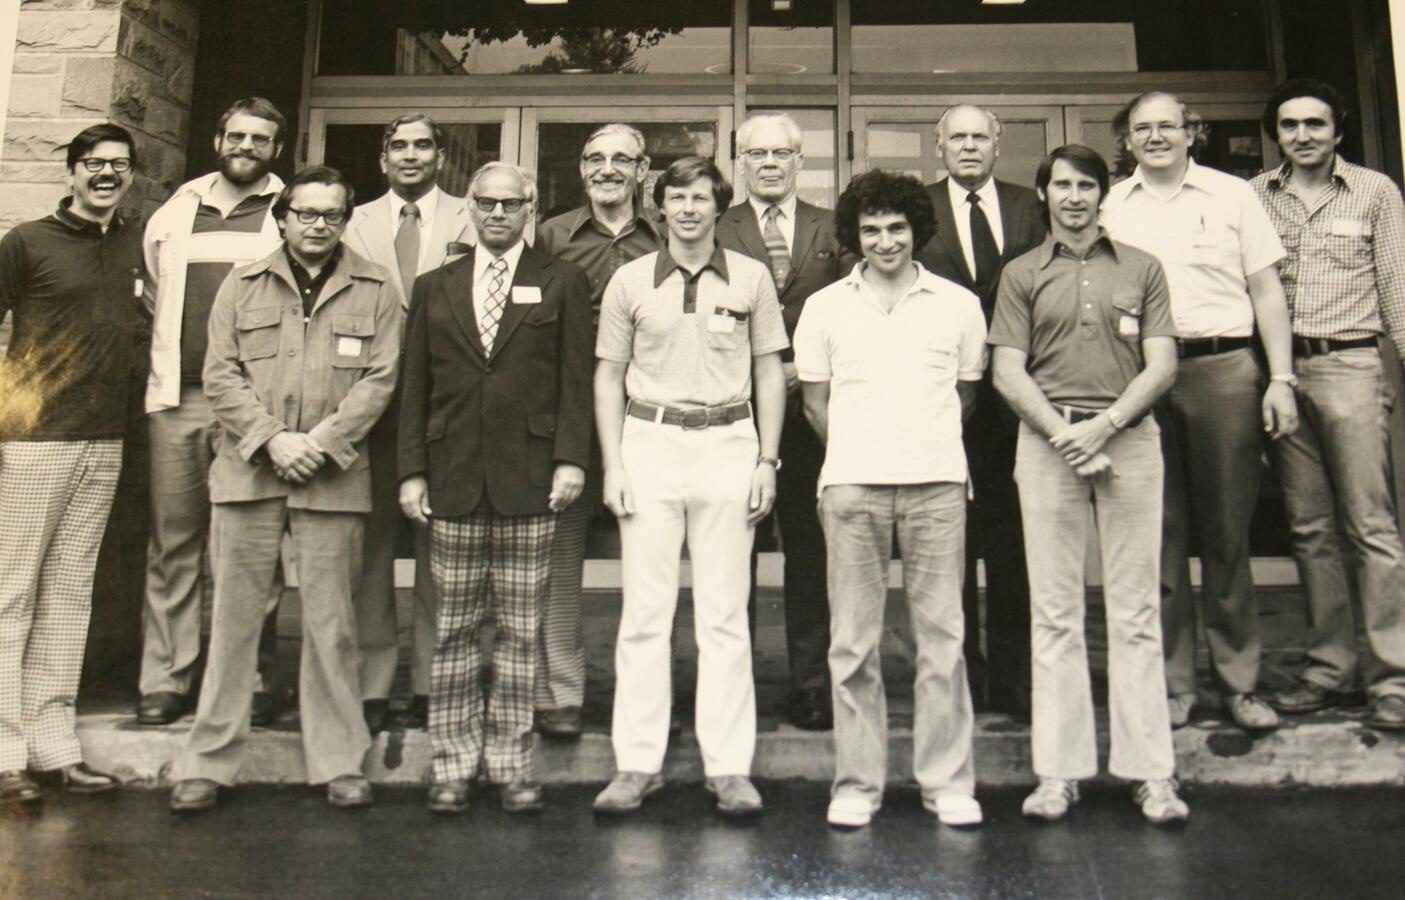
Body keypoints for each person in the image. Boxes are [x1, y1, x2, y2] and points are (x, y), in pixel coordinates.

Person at [167, 166, 401, 812]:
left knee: (332, 625)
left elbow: (380, 380)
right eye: (306, 213)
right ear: (283, 217)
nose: (318, 225)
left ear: (346, 220)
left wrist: (319, 443)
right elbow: (219, 376)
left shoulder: (377, 289)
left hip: (333, 479)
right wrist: (272, 440)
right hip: (247, 474)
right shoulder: (240, 286)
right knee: (235, 622)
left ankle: (338, 760)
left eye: (331, 214)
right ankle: (208, 762)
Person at [990, 144, 1188, 825]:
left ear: (1102, 193)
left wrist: (1102, 427)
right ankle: (1058, 773)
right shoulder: (1021, 273)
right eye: (1060, 185)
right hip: (1047, 447)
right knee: (1054, 611)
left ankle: (1151, 774)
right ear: (1042, 193)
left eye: (1085, 185)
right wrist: (1064, 435)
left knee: (1133, 611)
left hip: (1128, 442)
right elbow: (1007, 373)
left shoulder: (1142, 267)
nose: (1073, 197)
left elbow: (1160, 365)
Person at [592, 157, 787, 818]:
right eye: (675, 198)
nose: (687, 209)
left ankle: (728, 766)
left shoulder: (752, 277)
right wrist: (614, 465)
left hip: (728, 443)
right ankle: (636, 764)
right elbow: (606, 376)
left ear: (717, 206)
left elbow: (769, 371)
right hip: (649, 442)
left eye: (700, 198)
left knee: (724, 616)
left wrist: (767, 459)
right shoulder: (628, 280)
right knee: (645, 614)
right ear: (660, 206)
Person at [794, 169, 987, 830]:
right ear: (853, 236)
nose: (883, 240)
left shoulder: (957, 304)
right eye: (870, 229)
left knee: (943, 640)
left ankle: (946, 781)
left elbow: (963, 396)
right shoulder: (823, 308)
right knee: (851, 643)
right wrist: (862, 451)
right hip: (850, 487)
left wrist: (915, 443)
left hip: (935, 484)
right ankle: (857, 783)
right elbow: (815, 404)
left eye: (896, 227)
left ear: (916, 229)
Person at [398, 162, 593, 815]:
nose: (498, 214)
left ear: (530, 208)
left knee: (519, 629)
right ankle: (450, 763)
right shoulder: (434, 287)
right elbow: (413, 389)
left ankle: (511, 762)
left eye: (511, 204)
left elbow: (574, 383)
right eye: (486, 203)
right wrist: (411, 471)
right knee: (451, 628)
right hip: (451, 474)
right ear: (470, 210)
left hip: (531, 479)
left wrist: (570, 460)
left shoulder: (562, 281)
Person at [1101, 91, 1298, 733]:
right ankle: (1174, 685)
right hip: (1142, 377)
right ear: (1127, 140)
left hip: (1223, 370)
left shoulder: (1233, 196)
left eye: (1168, 126)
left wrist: (1280, 378)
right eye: (1142, 128)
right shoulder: (1111, 205)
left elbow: (1266, 290)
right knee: (1158, 535)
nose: (1156, 136)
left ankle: (1240, 684)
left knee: (1226, 533)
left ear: (1193, 132)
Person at [1250, 79, 1405, 730]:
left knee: (1369, 526)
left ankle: (1392, 676)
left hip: (1348, 363)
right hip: (1282, 372)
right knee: (1309, 529)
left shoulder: (1373, 192)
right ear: (1275, 134)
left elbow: (1397, 284)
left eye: (1314, 124)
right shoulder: (1254, 197)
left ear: (1336, 131)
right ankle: (1329, 670)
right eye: (1289, 125)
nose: (1302, 136)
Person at [0, 124, 145, 805]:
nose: (107, 175)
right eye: (94, 164)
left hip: (104, 438)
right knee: (10, 598)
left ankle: (54, 749)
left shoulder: (134, 243)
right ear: (71, 172)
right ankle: (3, 755)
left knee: (68, 598)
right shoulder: (26, 242)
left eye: (119, 164)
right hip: (33, 440)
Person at [139, 98, 289, 728]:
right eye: (237, 136)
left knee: (250, 548)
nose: (246, 147)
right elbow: (152, 290)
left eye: (260, 139)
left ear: (276, 150)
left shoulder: (286, 211)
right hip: (179, 400)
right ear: (217, 139)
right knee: (173, 544)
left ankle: (248, 674)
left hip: (252, 407)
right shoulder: (176, 211)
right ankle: (166, 678)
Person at [716, 113, 852, 731]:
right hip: (734, 415)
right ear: (740, 162)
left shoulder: (834, 227)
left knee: (810, 551)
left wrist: (806, 371)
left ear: (801, 162)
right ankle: (733, 680)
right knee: (731, 552)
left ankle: (810, 683)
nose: (769, 163)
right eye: (757, 154)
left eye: (781, 153)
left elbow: (855, 310)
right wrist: (761, 375)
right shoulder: (718, 227)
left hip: (814, 418)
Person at [343, 113, 475, 734]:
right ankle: (372, 682)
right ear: (383, 157)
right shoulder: (353, 219)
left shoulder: (472, 214)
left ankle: (431, 680)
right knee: (369, 549)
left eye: (424, 145)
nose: (412, 155)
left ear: (441, 156)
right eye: (399, 145)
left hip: (445, 403)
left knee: (440, 549)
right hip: (370, 403)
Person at [914, 104, 1047, 719]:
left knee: (1014, 543)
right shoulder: (920, 211)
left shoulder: (1031, 206)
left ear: (999, 142)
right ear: (938, 147)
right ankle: (961, 675)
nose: (968, 147)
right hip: (943, 401)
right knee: (950, 547)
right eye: (956, 138)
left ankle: (1016, 681)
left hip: (1019, 402)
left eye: (979, 137)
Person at [533, 123, 662, 740]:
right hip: (572, 420)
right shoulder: (550, 237)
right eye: (594, 158)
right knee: (560, 560)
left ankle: (650, 696)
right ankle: (561, 693)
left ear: (643, 171)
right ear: (582, 171)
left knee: (655, 561)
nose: (607, 168)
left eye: (621, 159)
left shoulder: (671, 234)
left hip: (655, 417)